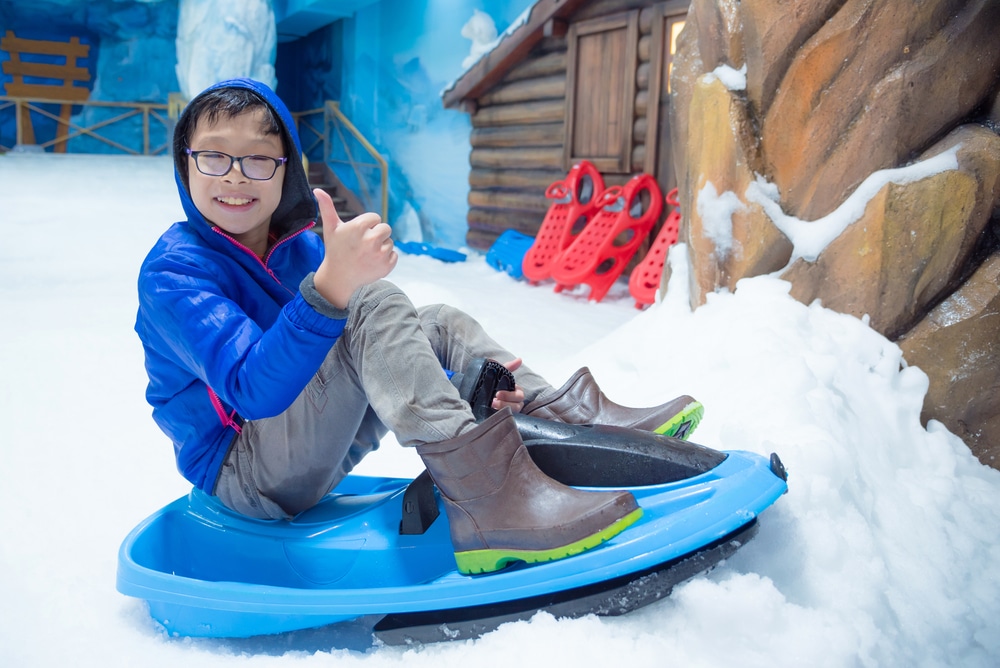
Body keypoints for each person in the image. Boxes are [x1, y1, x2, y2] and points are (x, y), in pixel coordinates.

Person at [135, 78, 703, 576]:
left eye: (259, 159)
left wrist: (470, 380)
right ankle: (491, 499)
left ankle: (561, 422)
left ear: (288, 172)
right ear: (185, 165)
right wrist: (333, 289)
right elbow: (252, 391)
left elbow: (377, 355)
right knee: (372, 303)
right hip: (246, 475)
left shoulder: (302, 247)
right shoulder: (175, 272)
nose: (236, 177)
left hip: (308, 447)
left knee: (438, 322)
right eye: (213, 156)